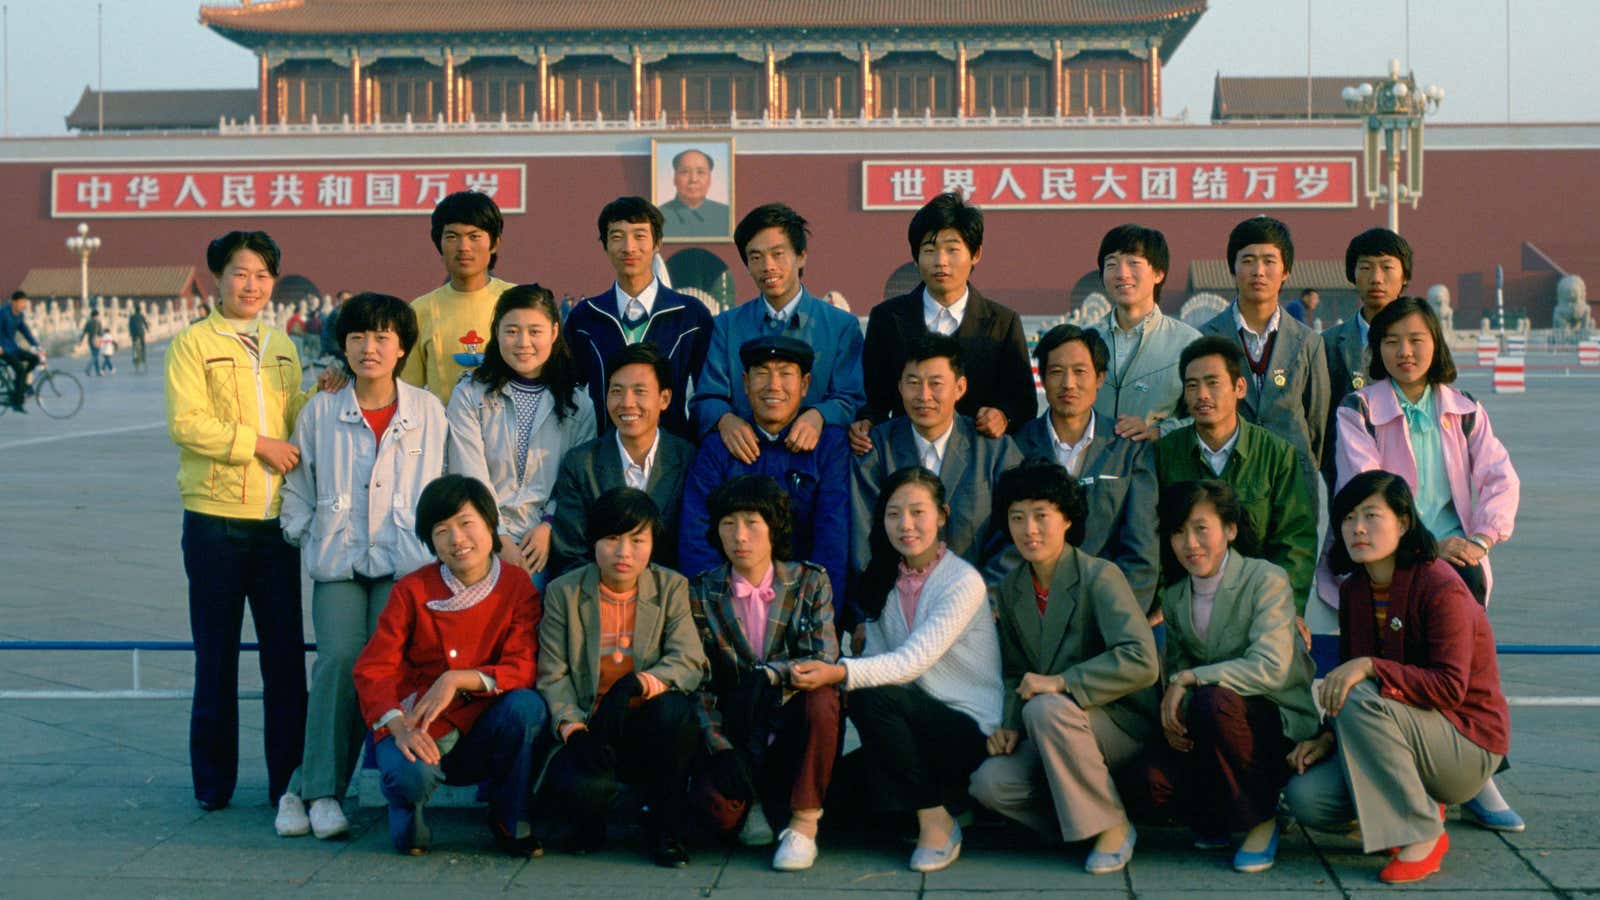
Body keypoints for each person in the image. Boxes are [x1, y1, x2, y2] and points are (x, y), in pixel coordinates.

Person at [1332, 295, 1522, 830]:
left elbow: (1499, 479)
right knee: (1406, 659)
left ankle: (1473, 771)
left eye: (1415, 340)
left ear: (1435, 343)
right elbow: (1362, 486)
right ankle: (1436, 776)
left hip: (1458, 561)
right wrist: (1427, 546)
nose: (1404, 351)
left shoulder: (1463, 408)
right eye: (1390, 342)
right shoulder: (1360, 409)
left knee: (1458, 664)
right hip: (1391, 554)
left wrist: (1481, 539)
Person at [275, 292, 448, 840]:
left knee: (381, 671)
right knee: (339, 661)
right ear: (342, 348)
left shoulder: (427, 410)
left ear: (401, 347)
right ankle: (324, 793)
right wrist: (304, 532)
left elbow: (446, 482)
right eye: (357, 339)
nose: (369, 349)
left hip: (405, 564)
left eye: (381, 338)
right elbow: (298, 485)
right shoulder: (321, 408)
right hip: (340, 561)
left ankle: (303, 786)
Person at [1284, 472, 1510, 885]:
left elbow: (1449, 688)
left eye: (1372, 515)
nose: (1358, 529)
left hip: (1465, 742)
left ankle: (1422, 832)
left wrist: (1372, 665)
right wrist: (1327, 737)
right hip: (1403, 734)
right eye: (1348, 519)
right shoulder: (1355, 591)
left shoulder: (1441, 586)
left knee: (1356, 692)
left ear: (1403, 523)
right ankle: (1410, 805)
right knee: (1307, 799)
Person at [790, 467, 1002, 873]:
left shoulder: (963, 581)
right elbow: (877, 663)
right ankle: (947, 798)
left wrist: (837, 672)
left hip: (965, 725)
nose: (906, 525)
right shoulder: (885, 577)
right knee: (837, 801)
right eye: (893, 514)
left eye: (918, 513)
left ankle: (936, 820)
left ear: (942, 515)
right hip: (906, 724)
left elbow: (910, 663)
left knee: (873, 695)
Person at [164, 231, 308, 813]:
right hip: (215, 521)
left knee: (285, 660)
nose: (253, 285)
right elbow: (188, 424)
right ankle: (213, 784)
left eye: (263, 275)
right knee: (216, 658)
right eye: (241, 273)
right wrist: (258, 445)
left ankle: (287, 783)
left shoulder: (282, 345)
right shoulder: (193, 344)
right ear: (217, 279)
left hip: (275, 525)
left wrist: (319, 397)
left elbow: (294, 417)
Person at [1117, 480, 1318, 874]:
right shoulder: (1175, 597)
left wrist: (1192, 679)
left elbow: (1271, 667)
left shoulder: (1266, 579)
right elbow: (1177, 668)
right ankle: (1218, 811)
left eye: (1200, 528)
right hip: (1212, 727)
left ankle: (1261, 819)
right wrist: (1174, 711)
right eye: (1177, 532)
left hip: (1274, 723)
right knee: (1146, 783)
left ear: (1230, 529)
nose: (1189, 543)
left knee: (1213, 702)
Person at [969, 461, 1159, 875]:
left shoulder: (1099, 576)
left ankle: (1112, 825)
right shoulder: (1012, 587)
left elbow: (1142, 660)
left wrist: (1062, 682)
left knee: (1046, 707)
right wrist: (1007, 725)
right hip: (1051, 728)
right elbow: (1015, 674)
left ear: (1068, 519)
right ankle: (1084, 823)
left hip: (1119, 725)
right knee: (990, 784)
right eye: (1017, 518)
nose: (1029, 529)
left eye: (1042, 516)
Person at [353, 475, 548, 857]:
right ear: (430, 542)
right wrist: (398, 727)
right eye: (441, 531)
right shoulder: (412, 590)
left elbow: (524, 665)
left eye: (466, 523)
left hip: (481, 729)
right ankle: (407, 811)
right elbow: (374, 669)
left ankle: (510, 817)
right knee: (410, 777)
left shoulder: (517, 586)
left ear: (491, 526)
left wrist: (457, 679)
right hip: (419, 724)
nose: (457, 539)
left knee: (528, 708)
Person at [538, 488, 708, 868]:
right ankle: (590, 820)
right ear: (593, 540)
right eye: (612, 538)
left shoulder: (671, 588)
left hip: (646, 722)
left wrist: (638, 683)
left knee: (676, 711)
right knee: (580, 791)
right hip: (592, 724)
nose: (623, 552)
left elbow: (689, 660)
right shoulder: (563, 593)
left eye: (637, 539)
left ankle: (665, 829)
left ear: (653, 542)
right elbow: (553, 673)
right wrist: (572, 729)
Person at [687, 475, 842, 871]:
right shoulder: (702, 591)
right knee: (720, 816)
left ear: (774, 527)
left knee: (823, 696)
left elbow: (822, 657)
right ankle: (751, 801)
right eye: (728, 524)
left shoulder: (809, 580)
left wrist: (771, 674)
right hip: (738, 726)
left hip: (792, 723)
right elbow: (698, 683)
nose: (740, 536)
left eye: (752, 523)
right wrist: (719, 748)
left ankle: (804, 824)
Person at [678, 335, 850, 617]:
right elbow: (695, 537)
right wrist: (721, 612)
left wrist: (814, 613)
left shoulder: (828, 446)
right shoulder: (718, 446)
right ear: (745, 383)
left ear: (805, 384)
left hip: (802, 607)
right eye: (762, 374)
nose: (773, 386)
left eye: (785, 374)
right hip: (728, 608)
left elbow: (832, 540)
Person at [852, 192, 1035, 456]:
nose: (941, 261)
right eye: (929, 250)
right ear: (915, 257)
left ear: (976, 254)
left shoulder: (1002, 323)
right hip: (905, 456)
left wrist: (1003, 416)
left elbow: (1023, 401)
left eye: (952, 249)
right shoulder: (887, 318)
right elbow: (874, 395)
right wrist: (866, 422)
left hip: (977, 459)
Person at [1153, 337, 1318, 619]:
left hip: (1256, 605)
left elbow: (1295, 543)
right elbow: (1151, 539)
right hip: (1183, 605)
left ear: (1239, 388)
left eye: (1213, 382)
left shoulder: (1276, 455)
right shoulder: (1164, 455)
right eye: (1192, 385)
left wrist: (1283, 611)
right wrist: (1164, 602)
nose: (1202, 394)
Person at [690, 203, 866, 464]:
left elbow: (852, 397)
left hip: (817, 463)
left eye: (777, 254)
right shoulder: (726, 326)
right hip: (744, 460)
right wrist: (725, 420)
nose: (767, 266)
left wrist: (819, 415)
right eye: (756, 257)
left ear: (801, 256)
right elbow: (706, 397)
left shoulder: (841, 326)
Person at [447, 284, 596, 587]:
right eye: (512, 331)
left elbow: (575, 478)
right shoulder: (470, 394)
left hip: (543, 538)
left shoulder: (577, 402)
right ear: (496, 332)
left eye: (535, 331)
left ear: (555, 333)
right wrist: (497, 535)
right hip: (479, 531)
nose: (523, 343)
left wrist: (548, 526)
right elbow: (469, 471)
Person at [851, 333, 1023, 591]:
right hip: (896, 606)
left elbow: (1014, 539)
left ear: (960, 388)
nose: (924, 395)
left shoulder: (995, 451)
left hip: (978, 606)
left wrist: (978, 600)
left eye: (936, 384)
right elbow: (862, 540)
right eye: (913, 383)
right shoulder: (876, 449)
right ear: (899, 386)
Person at [1014, 324, 1160, 614]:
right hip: (1036, 611)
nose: (1068, 383)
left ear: (1100, 378)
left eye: (1080, 372)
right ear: (1042, 379)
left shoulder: (1128, 449)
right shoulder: (1016, 447)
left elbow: (1142, 551)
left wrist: (1117, 618)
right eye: (1056, 372)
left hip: (1109, 610)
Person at [565, 196, 714, 439]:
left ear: (657, 243)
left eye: (639, 236)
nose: (629, 247)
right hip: (604, 457)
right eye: (617, 237)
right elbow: (568, 392)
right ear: (605, 245)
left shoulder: (690, 316)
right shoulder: (586, 317)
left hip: (672, 460)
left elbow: (707, 392)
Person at [1198, 216, 1330, 485]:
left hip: (1293, 483)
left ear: (1285, 271)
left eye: (1269, 261)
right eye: (1247, 261)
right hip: (1225, 482)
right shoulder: (1205, 338)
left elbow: (1317, 425)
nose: (1258, 271)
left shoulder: (1308, 342)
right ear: (1232, 270)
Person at [549, 343, 694, 576]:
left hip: (670, 600)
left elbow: (694, 546)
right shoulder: (581, 464)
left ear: (665, 399)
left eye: (639, 391)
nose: (626, 403)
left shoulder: (689, 460)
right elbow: (569, 554)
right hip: (597, 598)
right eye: (616, 391)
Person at [1085, 224, 1201, 442]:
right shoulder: (1084, 340)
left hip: (1156, 468)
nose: (1122, 274)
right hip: (1090, 466)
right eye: (1111, 264)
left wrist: (1159, 431)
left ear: (1158, 273)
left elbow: (1208, 415)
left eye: (1133, 263)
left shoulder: (1189, 343)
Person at [401, 191, 515, 404]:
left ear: (495, 243)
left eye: (474, 236)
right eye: (452, 237)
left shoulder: (519, 301)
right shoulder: (421, 310)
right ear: (439, 244)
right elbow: (408, 391)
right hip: (445, 433)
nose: (464, 247)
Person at [1322, 228, 1411, 489]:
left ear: (1405, 275)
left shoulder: (1423, 341)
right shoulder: (1328, 344)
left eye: (1387, 268)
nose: (1376, 278)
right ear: (1353, 275)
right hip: (1350, 484)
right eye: (1366, 268)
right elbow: (1321, 423)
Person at [659, 148, 732, 239]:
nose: (693, 179)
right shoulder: (659, 215)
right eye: (685, 172)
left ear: (710, 179)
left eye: (700, 172)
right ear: (674, 178)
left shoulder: (726, 214)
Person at [1, 291, 43, 411]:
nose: (23, 305)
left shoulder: (19, 315)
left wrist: (36, 345)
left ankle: (18, 382)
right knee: (20, 369)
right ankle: (17, 403)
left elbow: (25, 331)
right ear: (14, 302)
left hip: (13, 348)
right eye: (21, 302)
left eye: (24, 302)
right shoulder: (3, 313)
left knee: (35, 359)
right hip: (3, 350)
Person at [80, 308, 106, 376]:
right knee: (95, 356)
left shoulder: (88, 323)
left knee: (95, 356)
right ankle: (88, 369)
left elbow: (84, 332)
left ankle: (98, 371)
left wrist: (81, 341)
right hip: (96, 342)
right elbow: (101, 333)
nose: (97, 317)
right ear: (96, 316)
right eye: (97, 316)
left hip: (90, 341)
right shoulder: (98, 323)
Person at [128, 303, 149, 371]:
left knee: (134, 346)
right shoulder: (141, 316)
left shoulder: (132, 317)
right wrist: (147, 329)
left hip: (134, 334)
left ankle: (135, 356)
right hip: (141, 333)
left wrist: (130, 333)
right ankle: (143, 357)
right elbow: (145, 323)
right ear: (139, 310)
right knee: (143, 345)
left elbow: (130, 325)